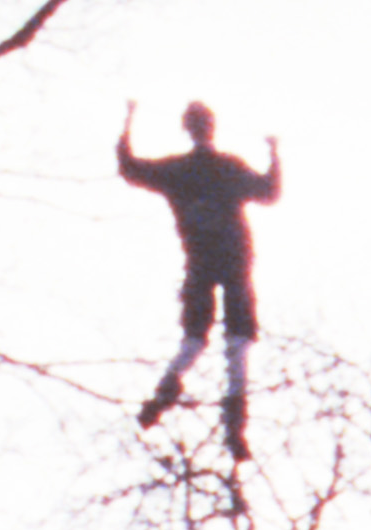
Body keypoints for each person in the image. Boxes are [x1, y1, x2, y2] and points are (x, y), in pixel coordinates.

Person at [117, 101, 284, 418]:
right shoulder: (229, 167)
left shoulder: (175, 171)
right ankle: (236, 405)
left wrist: (127, 124)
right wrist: (274, 154)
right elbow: (269, 192)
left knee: (195, 334)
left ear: (186, 129)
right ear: (213, 128)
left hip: (199, 258)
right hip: (235, 256)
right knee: (238, 331)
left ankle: (169, 383)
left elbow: (130, 168)